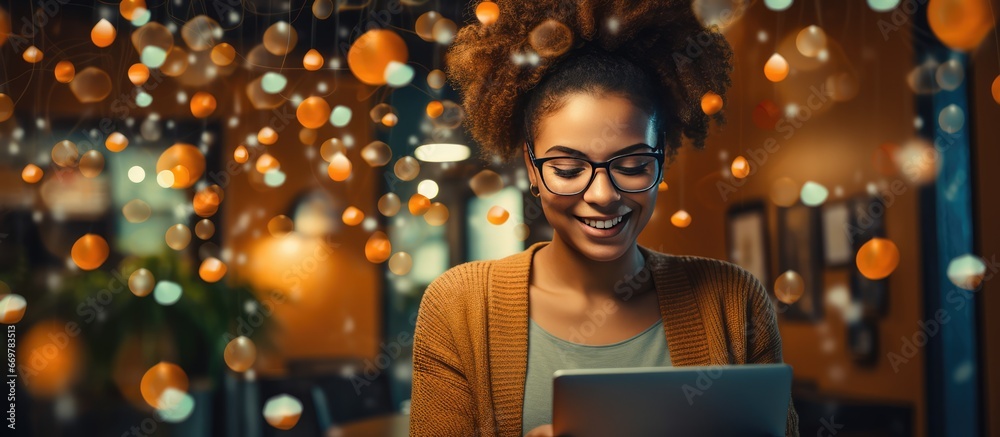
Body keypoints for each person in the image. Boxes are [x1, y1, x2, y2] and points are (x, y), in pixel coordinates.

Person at [409, 1, 799, 436]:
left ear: (663, 158)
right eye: (568, 169)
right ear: (532, 167)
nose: (603, 195)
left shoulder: (734, 300)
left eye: (631, 165)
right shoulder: (460, 306)